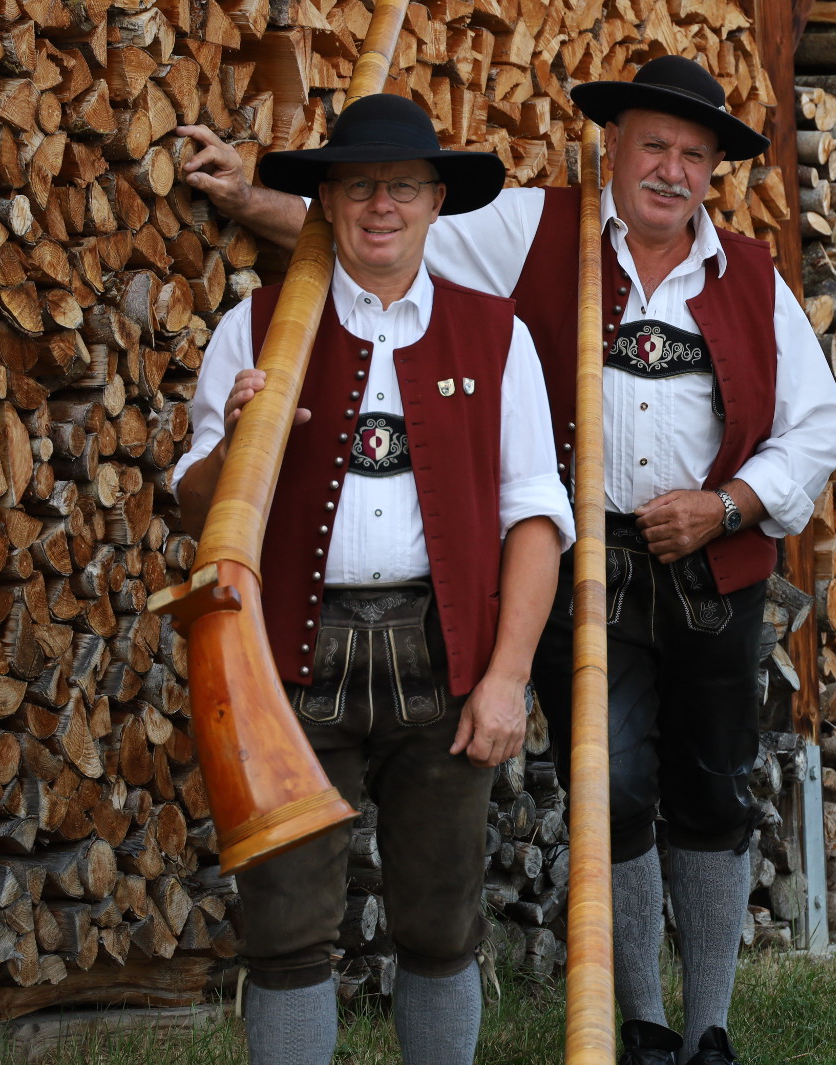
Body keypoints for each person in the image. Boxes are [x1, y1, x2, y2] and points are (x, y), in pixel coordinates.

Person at [183, 56, 836, 1065]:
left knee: (712, 788)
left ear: (714, 172)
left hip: (711, 564)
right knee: (608, 788)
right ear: (611, 147)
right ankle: (643, 1022)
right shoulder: (528, 232)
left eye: (693, 156)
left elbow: (814, 425)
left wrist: (729, 505)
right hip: (568, 579)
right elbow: (380, 234)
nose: (670, 170)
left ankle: (705, 1028)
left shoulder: (743, 277)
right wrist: (248, 195)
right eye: (652, 146)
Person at [172, 93, 573, 1065]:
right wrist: (238, 439)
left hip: (445, 663)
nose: (380, 205)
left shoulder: (494, 334)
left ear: (437, 200)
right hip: (288, 669)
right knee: (284, 931)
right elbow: (193, 509)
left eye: (401, 186)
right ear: (326, 202)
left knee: (441, 923)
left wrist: (510, 675)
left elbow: (534, 516)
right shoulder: (257, 329)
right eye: (357, 187)